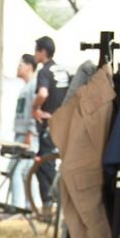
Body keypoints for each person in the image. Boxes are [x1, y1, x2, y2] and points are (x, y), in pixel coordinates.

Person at [32, 36, 70, 215]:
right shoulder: (62, 70)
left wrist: (35, 109)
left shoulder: (45, 71)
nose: (34, 54)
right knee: (53, 162)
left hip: (48, 124)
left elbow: (43, 93)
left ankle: (50, 204)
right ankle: (56, 202)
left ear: (43, 51)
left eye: (36, 50)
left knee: (43, 164)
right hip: (63, 122)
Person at [9, 54, 38, 209]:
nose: (18, 68)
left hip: (27, 136)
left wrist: (30, 132)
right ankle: (29, 206)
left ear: (29, 67)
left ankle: (18, 206)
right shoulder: (25, 87)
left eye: (21, 65)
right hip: (21, 134)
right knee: (26, 172)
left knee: (17, 170)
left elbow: (35, 110)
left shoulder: (34, 85)